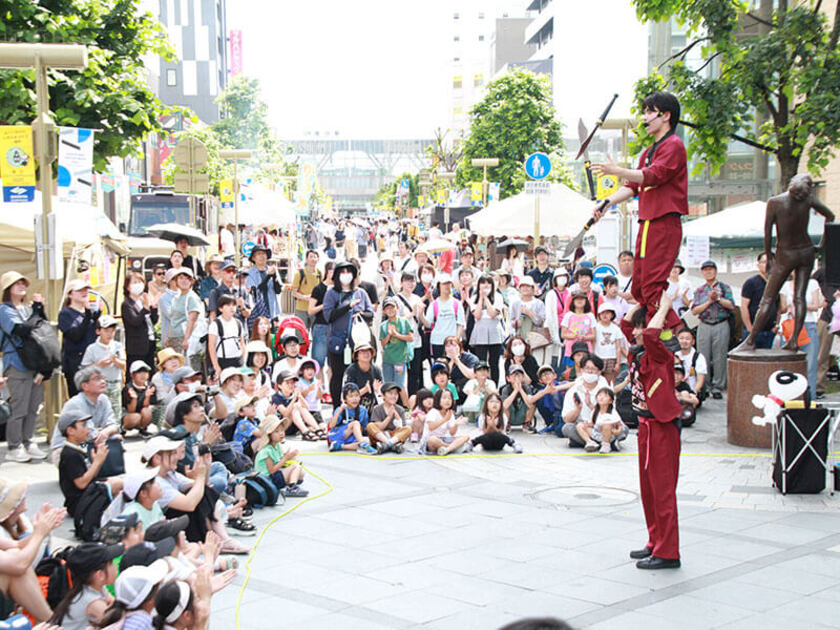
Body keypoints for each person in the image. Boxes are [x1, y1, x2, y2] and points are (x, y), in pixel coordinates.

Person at [592, 91, 687, 332]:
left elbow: (653, 176)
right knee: (640, 287)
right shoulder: (648, 152)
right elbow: (634, 186)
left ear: (665, 116)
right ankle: (652, 334)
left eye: (649, 112)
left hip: (663, 221)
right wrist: (606, 203)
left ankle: (670, 333)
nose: (644, 118)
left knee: (653, 285)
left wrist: (617, 170)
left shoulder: (674, 146)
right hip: (646, 222)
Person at [736, 173, 835, 353]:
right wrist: (820, 245)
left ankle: (751, 340)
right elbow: (831, 216)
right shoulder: (808, 199)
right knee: (799, 297)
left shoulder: (775, 202)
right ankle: (794, 341)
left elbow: (767, 232)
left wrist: (769, 255)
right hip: (806, 252)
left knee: (768, 298)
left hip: (786, 254)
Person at [0, 271, 48, 462]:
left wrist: (38, 309)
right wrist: (36, 310)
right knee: (19, 406)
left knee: (33, 406)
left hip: (34, 362)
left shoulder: (28, 309)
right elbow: (22, 329)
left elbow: (41, 325)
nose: (21, 286)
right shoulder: (5, 309)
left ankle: (29, 441)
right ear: (8, 289)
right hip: (17, 362)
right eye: (16, 284)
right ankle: (14, 445)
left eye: (23, 283)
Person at [323, 261, 375, 407]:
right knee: (337, 375)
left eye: (349, 272)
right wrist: (347, 307)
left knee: (357, 374)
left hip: (358, 343)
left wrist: (360, 314)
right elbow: (328, 316)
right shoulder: (331, 293)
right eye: (342, 272)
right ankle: (337, 406)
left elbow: (371, 314)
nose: (346, 275)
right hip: (338, 341)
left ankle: (358, 405)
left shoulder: (361, 293)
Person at [57, 406, 123, 518]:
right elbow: (81, 483)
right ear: (70, 431)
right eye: (83, 425)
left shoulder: (78, 448)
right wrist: (97, 462)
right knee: (118, 483)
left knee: (118, 482)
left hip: (86, 496)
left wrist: (98, 461)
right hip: (79, 503)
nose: (88, 429)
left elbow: (89, 475)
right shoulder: (70, 454)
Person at [51, 366, 122, 463]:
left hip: (88, 444)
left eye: (103, 378)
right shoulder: (76, 403)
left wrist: (107, 431)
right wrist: (105, 435)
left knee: (116, 438)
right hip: (66, 449)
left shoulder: (103, 399)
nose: (103, 382)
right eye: (97, 379)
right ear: (85, 386)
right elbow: (89, 433)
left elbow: (114, 424)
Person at [51, 541, 123, 630]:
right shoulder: (93, 602)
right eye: (111, 563)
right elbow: (119, 622)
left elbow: (115, 602)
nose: (116, 566)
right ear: (99, 575)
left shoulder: (94, 587)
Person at [690, 260, 735, 399]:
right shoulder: (699, 290)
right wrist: (709, 302)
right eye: (705, 270)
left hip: (721, 323)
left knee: (720, 356)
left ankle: (718, 387)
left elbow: (731, 305)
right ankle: (705, 385)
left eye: (710, 269)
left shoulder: (724, 287)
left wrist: (718, 299)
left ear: (715, 271)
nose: (708, 272)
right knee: (703, 355)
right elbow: (694, 310)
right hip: (704, 324)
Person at [781, 273, 823, 398]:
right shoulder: (785, 285)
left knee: (810, 365)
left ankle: (810, 398)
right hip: (790, 325)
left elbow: (816, 306)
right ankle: (789, 398)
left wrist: (799, 306)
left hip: (808, 324)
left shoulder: (812, 284)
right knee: (788, 364)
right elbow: (782, 307)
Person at [59, 279, 101, 397]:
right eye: (80, 290)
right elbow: (75, 336)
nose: (84, 292)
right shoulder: (66, 313)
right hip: (76, 361)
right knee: (79, 397)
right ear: (70, 294)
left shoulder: (90, 312)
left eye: (86, 290)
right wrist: (88, 316)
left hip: (92, 359)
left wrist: (96, 317)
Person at [560, 354, 610, 448]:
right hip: (581, 426)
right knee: (567, 428)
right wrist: (578, 409)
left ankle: (586, 442)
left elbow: (610, 414)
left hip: (601, 426)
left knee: (623, 430)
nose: (590, 372)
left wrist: (592, 407)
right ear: (582, 370)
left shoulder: (606, 390)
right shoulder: (574, 391)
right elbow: (567, 419)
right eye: (587, 368)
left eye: (593, 369)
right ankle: (601, 442)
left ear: (599, 372)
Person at [81, 315, 126, 422]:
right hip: (98, 384)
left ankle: (115, 433)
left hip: (115, 383)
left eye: (112, 331)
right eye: (106, 331)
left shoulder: (117, 346)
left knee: (115, 411)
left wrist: (115, 361)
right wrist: (99, 364)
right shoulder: (92, 348)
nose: (110, 334)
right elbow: (85, 369)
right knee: (98, 411)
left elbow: (124, 366)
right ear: (98, 331)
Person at [253, 415, 308, 498]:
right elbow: (272, 470)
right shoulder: (266, 451)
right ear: (269, 435)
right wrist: (286, 458)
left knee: (301, 473)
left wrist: (289, 457)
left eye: (282, 430)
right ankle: (292, 487)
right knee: (296, 467)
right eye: (277, 431)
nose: (281, 433)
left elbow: (279, 460)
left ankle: (290, 481)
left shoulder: (277, 445)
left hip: (273, 476)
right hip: (267, 480)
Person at [469, 275, 505, 386]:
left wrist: (486, 298)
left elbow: (493, 313)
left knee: (494, 363)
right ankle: (481, 385)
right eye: (483, 283)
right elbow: (477, 315)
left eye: (488, 283)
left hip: (494, 331)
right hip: (480, 332)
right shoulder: (473, 298)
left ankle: (494, 386)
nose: (485, 286)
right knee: (481, 362)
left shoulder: (498, 296)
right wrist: (480, 298)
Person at [122, 272, 159, 380]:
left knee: (149, 373)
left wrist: (153, 307)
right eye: (135, 282)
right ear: (128, 286)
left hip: (149, 343)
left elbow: (153, 321)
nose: (138, 285)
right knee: (135, 375)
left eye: (140, 282)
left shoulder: (142, 300)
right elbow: (135, 321)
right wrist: (145, 308)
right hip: (136, 347)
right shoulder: (127, 304)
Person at [307, 261, 334, 395]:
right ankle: (321, 391)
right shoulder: (319, 289)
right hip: (321, 327)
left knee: (332, 364)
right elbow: (310, 310)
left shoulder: (339, 290)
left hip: (335, 329)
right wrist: (325, 305)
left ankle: (331, 391)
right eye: (332, 271)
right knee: (319, 363)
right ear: (327, 271)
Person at [327, 383, 377, 454]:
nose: (355, 399)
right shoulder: (341, 409)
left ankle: (341, 446)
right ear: (345, 399)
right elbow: (332, 425)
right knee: (355, 423)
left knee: (367, 440)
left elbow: (364, 427)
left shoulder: (362, 410)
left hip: (352, 437)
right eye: (351, 396)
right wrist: (340, 410)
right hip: (339, 435)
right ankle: (363, 445)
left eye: (357, 395)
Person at [420, 388, 470, 456]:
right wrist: (445, 419)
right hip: (431, 440)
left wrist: (456, 424)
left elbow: (452, 433)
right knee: (433, 440)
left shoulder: (450, 413)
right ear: (438, 400)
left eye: (449, 398)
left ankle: (447, 449)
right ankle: (451, 447)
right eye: (444, 398)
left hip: (444, 439)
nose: (447, 400)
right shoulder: (433, 412)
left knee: (466, 437)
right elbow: (431, 427)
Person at [206, 295, 246, 379]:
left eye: (233, 305)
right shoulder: (215, 324)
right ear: (220, 308)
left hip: (238, 360)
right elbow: (211, 346)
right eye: (228, 305)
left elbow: (242, 343)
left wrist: (244, 361)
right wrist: (216, 366)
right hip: (223, 361)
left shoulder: (238, 323)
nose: (231, 308)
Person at [366, 382, 411, 454]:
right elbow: (379, 427)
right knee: (370, 426)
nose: (393, 396)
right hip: (381, 435)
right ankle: (391, 444)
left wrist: (397, 418)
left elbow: (401, 428)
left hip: (394, 436)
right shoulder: (377, 408)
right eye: (390, 393)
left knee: (408, 428)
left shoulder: (400, 409)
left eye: (396, 394)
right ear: (383, 395)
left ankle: (387, 445)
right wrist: (389, 417)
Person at [379, 297, 413, 391]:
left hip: (400, 360)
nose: (390, 310)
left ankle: (404, 405)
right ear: (384, 311)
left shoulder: (403, 322)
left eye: (392, 307)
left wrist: (396, 335)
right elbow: (383, 344)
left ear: (397, 308)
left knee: (400, 385)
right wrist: (389, 335)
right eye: (387, 308)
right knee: (388, 385)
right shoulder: (383, 326)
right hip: (387, 360)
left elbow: (410, 338)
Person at [245, 245, 283, 324]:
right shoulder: (249, 274)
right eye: (259, 254)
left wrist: (274, 276)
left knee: (273, 335)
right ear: (253, 258)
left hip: (273, 311)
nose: (262, 256)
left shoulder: (272, 270)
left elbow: (278, 290)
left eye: (263, 254)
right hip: (257, 313)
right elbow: (256, 292)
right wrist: (268, 276)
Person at [343, 343, 383, 414]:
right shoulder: (351, 371)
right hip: (355, 408)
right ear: (357, 356)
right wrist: (365, 389)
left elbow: (382, 395)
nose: (366, 354)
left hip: (372, 407)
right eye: (362, 352)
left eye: (368, 351)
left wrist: (378, 391)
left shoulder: (376, 370)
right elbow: (345, 397)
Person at [545, 270, 571, 370]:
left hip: (569, 329)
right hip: (556, 328)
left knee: (566, 354)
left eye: (564, 276)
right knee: (554, 355)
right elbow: (550, 315)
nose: (562, 278)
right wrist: (554, 335)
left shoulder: (570, 292)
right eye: (559, 276)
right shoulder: (551, 294)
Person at [589, 387, 627, 453]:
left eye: (605, 396)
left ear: (610, 401)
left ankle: (606, 444)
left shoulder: (612, 412)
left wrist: (617, 431)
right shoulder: (595, 411)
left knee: (606, 425)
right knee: (580, 426)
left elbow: (620, 425)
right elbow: (592, 423)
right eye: (600, 395)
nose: (601, 398)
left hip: (609, 434)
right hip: (598, 434)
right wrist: (587, 424)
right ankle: (590, 442)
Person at [122, 361, 156, 436]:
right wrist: (134, 398)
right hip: (129, 414)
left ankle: (143, 429)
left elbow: (145, 406)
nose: (143, 375)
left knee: (147, 411)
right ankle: (122, 429)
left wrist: (147, 396)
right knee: (136, 417)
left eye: (145, 372)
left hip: (141, 412)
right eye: (139, 372)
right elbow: (131, 410)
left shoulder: (150, 386)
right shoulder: (128, 388)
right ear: (132, 375)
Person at [675, 329, 708, 404]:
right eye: (681, 338)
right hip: (675, 389)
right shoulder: (673, 354)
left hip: (690, 391)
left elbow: (700, 379)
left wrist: (694, 392)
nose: (684, 341)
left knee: (685, 395)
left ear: (693, 342)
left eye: (687, 339)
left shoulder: (698, 357)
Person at [561, 289, 597, 359]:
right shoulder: (568, 315)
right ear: (573, 301)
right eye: (577, 299)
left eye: (582, 299)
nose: (579, 301)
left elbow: (594, 335)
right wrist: (575, 336)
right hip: (571, 348)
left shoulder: (590, 316)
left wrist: (584, 337)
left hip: (586, 348)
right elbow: (563, 334)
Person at [292, 250, 322, 331]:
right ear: (306, 259)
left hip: (315, 309)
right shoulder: (299, 273)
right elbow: (294, 292)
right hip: (301, 309)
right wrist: (304, 297)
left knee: (316, 333)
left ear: (318, 259)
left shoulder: (319, 274)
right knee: (301, 333)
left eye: (315, 257)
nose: (313, 259)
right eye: (311, 256)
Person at [500, 364, 536, 431]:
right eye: (514, 375)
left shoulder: (527, 388)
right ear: (508, 378)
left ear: (523, 377)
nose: (517, 377)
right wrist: (516, 391)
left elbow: (530, 404)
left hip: (522, 415)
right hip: (511, 415)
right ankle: (507, 424)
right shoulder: (505, 389)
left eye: (519, 375)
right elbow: (504, 405)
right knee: (503, 404)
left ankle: (527, 423)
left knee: (532, 403)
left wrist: (521, 390)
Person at [593, 303, 623, 384]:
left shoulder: (616, 329)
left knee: (609, 382)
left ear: (612, 315)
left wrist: (618, 363)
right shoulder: (596, 327)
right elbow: (593, 342)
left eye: (608, 313)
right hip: (598, 357)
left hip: (611, 357)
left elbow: (618, 347)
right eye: (603, 313)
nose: (605, 315)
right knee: (595, 380)